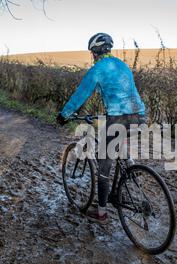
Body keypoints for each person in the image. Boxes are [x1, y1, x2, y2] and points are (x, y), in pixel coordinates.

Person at [57, 33, 146, 224]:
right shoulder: (121, 65)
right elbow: (121, 94)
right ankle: (130, 167)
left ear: (95, 51)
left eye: (92, 52)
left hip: (119, 118)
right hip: (139, 116)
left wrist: (64, 115)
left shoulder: (98, 69)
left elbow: (81, 94)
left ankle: (102, 213)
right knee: (117, 139)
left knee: (103, 164)